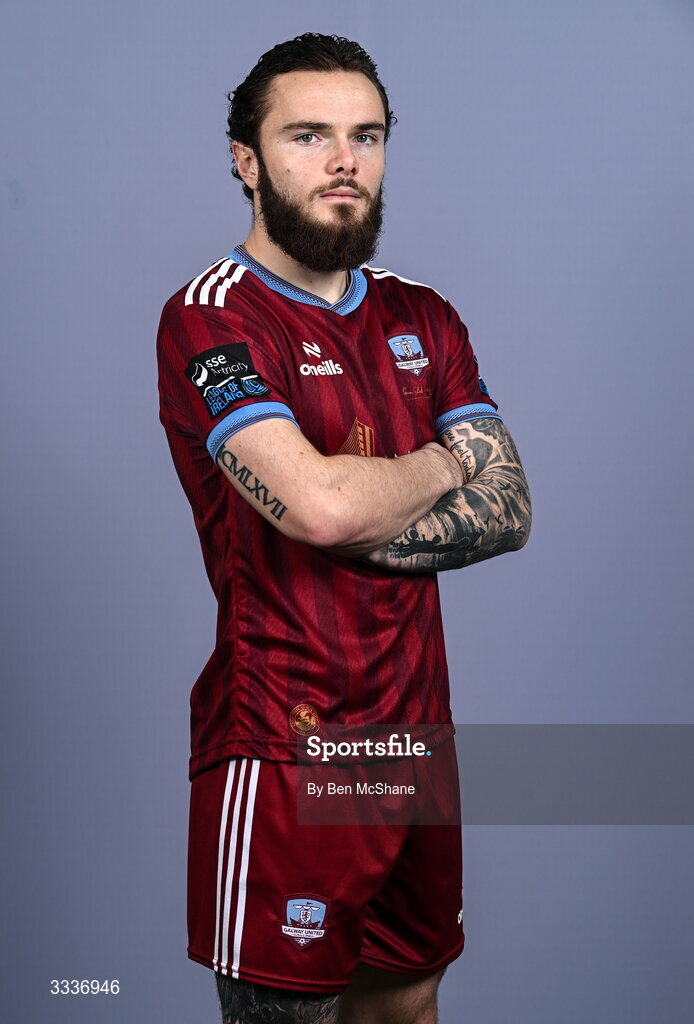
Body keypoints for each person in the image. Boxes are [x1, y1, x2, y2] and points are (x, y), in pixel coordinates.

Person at [157, 32, 531, 1024]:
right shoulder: (212, 317)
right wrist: (447, 463)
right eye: (308, 135)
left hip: (415, 745)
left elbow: (511, 509)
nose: (342, 161)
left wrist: (356, 498)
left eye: (365, 136)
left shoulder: (425, 316)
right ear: (247, 159)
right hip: (287, 746)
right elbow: (317, 506)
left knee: (409, 999)